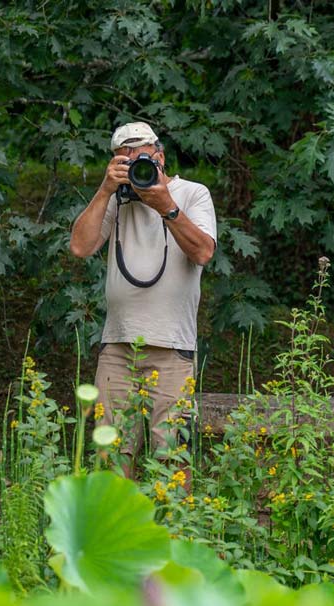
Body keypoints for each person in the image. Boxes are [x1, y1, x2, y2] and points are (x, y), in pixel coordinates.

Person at [68, 121, 217, 472]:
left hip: (173, 348)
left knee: (173, 458)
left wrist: (166, 206)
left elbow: (203, 253)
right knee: (112, 457)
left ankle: (174, 528)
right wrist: (105, 191)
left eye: (143, 159)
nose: (136, 168)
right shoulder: (117, 200)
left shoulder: (193, 194)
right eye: (125, 161)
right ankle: (117, 527)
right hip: (118, 348)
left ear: (160, 157)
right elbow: (79, 246)